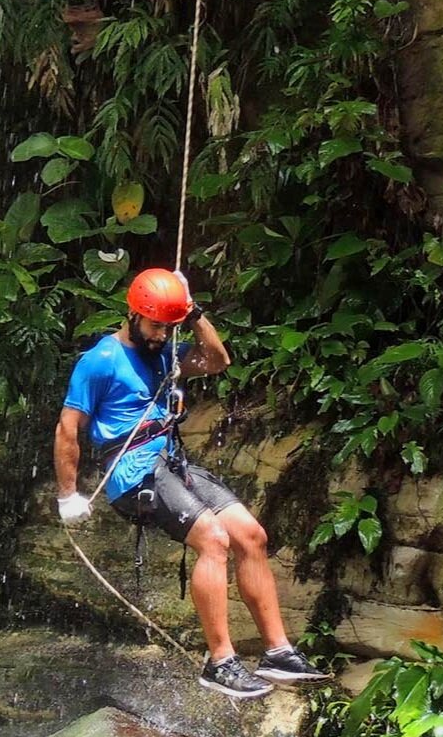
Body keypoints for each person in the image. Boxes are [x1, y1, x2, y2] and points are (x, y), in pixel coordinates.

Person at [53, 267, 329, 700]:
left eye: (168, 326)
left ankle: (278, 652)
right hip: (131, 473)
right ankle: (220, 662)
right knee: (214, 540)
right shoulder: (100, 361)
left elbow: (218, 361)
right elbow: (68, 428)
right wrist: (68, 495)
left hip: (171, 462)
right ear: (133, 315)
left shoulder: (165, 351)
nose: (161, 335)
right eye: (155, 325)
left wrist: (194, 312)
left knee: (251, 535)